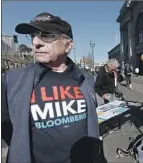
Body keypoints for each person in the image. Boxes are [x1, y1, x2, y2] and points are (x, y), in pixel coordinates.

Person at [1, 12, 102, 163]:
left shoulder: (85, 79)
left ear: (68, 45)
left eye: (47, 35)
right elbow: (6, 125)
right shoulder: (13, 80)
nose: (36, 42)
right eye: (33, 35)